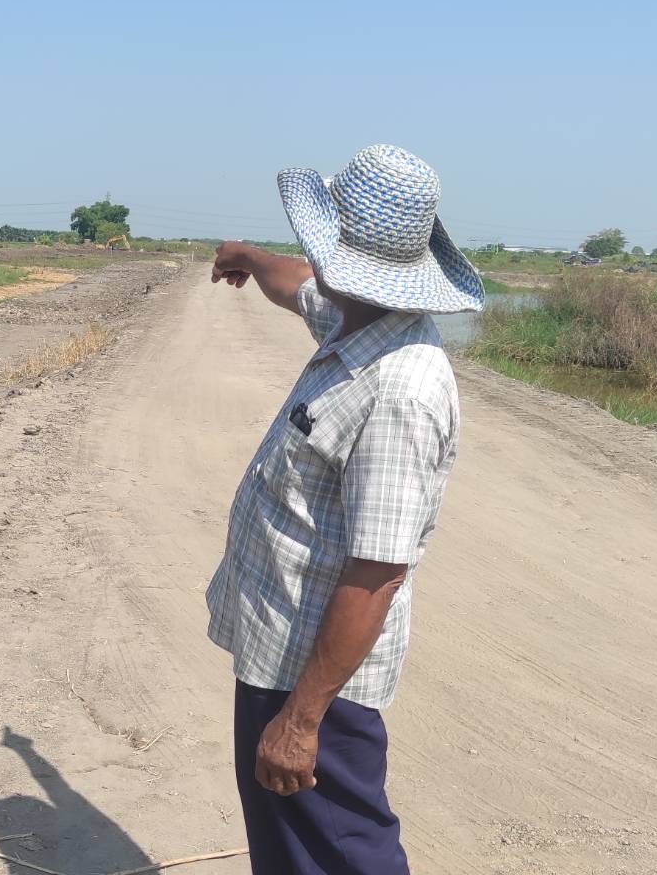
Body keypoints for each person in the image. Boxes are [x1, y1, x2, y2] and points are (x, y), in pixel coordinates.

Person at [206, 144, 484, 875]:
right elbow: (295, 283)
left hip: (317, 683)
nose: (309, 253)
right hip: (280, 657)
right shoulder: (354, 319)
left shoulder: (401, 387)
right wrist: (245, 255)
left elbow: (378, 570)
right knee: (291, 848)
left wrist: (301, 720)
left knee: (341, 853)